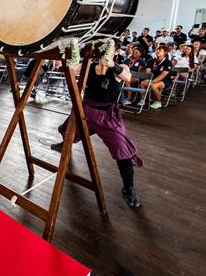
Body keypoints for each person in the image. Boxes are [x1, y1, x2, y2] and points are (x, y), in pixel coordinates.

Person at [51, 57, 143, 207]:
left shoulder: (121, 66)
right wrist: (62, 65)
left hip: (107, 115)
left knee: (122, 148)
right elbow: (71, 72)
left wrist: (112, 64)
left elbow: (128, 77)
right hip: (86, 110)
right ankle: (65, 144)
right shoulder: (89, 65)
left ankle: (129, 188)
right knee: (69, 130)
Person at [139, 44, 172, 109]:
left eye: (160, 50)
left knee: (153, 85)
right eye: (157, 50)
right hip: (153, 78)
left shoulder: (167, 62)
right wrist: (150, 78)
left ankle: (158, 102)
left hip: (165, 80)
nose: (157, 51)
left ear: (165, 52)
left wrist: (152, 81)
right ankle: (143, 100)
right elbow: (148, 72)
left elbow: (163, 75)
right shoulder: (151, 61)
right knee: (143, 83)